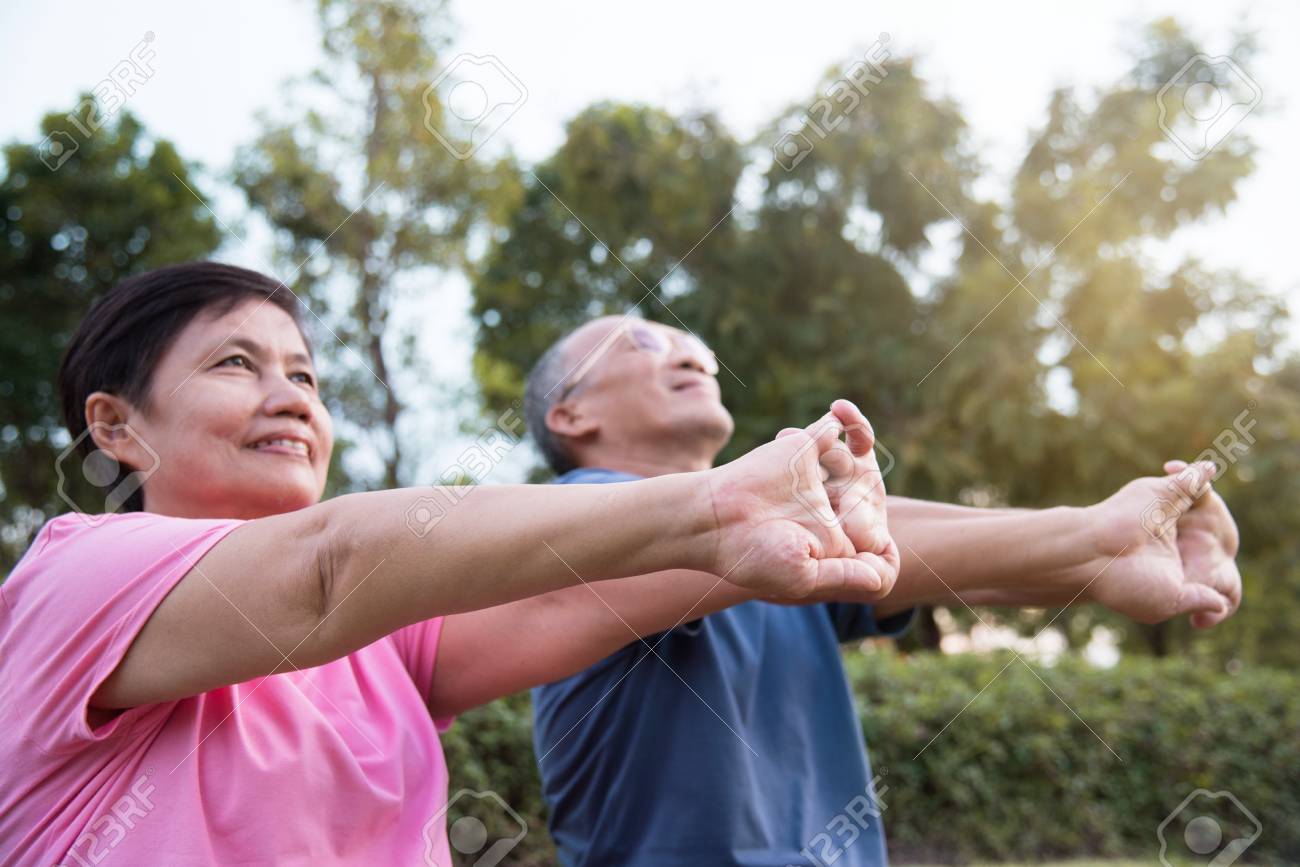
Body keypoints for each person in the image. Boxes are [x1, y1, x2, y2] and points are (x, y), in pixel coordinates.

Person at [0, 262, 899, 867]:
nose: (290, 399)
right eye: (238, 364)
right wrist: (718, 503)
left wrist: (781, 527)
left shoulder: (379, 646)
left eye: (307, 378)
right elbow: (327, 564)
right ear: (116, 427)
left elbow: (574, 599)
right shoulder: (77, 575)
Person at [522, 315, 1242, 867]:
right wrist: (1093, 537)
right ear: (571, 414)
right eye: (640, 342)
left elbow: (928, 557)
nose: (687, 354)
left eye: (699, 350)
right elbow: (847, 537)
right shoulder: (576, 517)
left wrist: (1121, 561)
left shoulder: (784, 551)